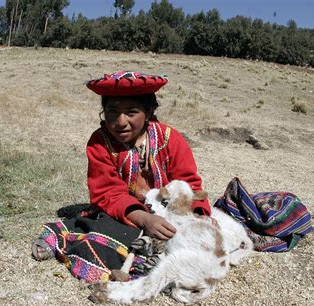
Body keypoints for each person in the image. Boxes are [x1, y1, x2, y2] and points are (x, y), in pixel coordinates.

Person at [31, 71, 210, 284]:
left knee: (199, 241)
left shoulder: (170, 139)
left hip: (169, 214)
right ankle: (63, 238)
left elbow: (187, 184)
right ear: (103, 112)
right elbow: (108, 192)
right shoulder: (100, 142)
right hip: (122, 216)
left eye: (131, 112)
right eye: (112, 111)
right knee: (104, 237)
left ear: (149, 111)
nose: (120, 121)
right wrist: (145, 219)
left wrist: (195, 219)